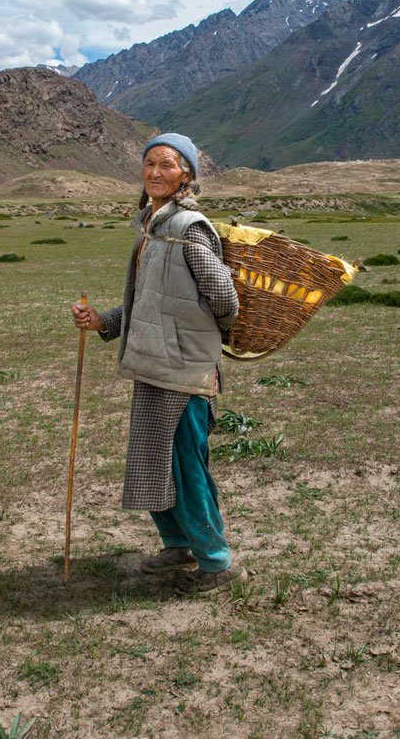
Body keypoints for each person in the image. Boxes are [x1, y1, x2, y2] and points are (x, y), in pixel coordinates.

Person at [71, 132, 247, 595]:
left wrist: (199, 336)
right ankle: (178, 544)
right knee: (154, 461)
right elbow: (149, 301)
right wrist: (103, 321)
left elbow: (225, 297)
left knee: (186, 465)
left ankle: (217, 561)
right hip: (152, 364)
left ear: (187, 173)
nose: (155, 172)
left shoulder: (190, 228)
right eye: (149, 164)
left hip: (183, 370)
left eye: (167, 165)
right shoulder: (152, 226)